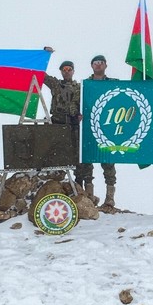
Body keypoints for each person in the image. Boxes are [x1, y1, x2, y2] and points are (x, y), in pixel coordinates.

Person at [42, 47, 84, 195]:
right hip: (57, 124)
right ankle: (56, 186)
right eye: (64, 69)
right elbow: (41, 75)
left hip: (73, 125)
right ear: (61, 71)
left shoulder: (80, 87)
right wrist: (44, 55)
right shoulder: (55, 84)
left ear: (73, 71)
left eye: (69, 69)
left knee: (77, 156)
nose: (67, 71)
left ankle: (79, 187)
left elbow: (84, 103)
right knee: (56, 155)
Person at [83, 54, 119, 209]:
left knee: (108, 166)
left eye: (101, 63)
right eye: (95, 63)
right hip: (88, 130)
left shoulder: (113, 84)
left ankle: (109, 200)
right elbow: (78, 103)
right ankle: (89, 197)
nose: (98, 65)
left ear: (105, 65)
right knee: (86, 166)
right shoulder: (85, 85)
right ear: (92, 66)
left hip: (107, 130)